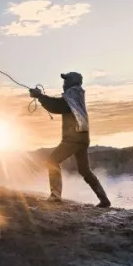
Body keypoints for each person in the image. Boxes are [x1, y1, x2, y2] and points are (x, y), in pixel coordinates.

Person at [30, 72, 111, 208]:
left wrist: (40, 96)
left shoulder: (73, 93)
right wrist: (42, 97)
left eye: (65, 80)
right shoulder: (77, 94)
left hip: (73, 138)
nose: (64, 83)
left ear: (72, 81)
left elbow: (58, 107)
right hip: (82, 138)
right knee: (84, 171)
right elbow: (60, 104)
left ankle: (55, 196)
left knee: (52, 161)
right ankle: (104, 200)